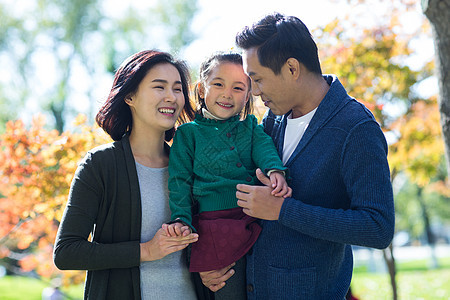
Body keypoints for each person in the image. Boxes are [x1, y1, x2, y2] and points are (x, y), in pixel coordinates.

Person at [199, 13, 395, 299]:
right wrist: (211, 259)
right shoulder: (272, 120)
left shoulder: (356, 128)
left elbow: (378, 227)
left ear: (292, 68)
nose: (253, 92)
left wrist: (283, 211)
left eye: (258, 79)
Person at [53, 50, 201, 300]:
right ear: (130, 96)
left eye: (177, 89)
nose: (171, 97)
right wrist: (146, 251)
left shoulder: (193, 165)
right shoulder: (99, 165)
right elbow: (66, 252)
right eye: (159, 87)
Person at [165, 52, 291, 300]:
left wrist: (275, 171)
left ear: (247, 94)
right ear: (201, 89)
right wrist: (181, 218)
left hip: (255, 218)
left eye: (238, 87)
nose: (227, 93)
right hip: (214, 226)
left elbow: (265, 149)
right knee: (227, 287)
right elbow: (179, 182)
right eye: (219, 84)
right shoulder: (188, 134)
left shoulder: (251, 128)